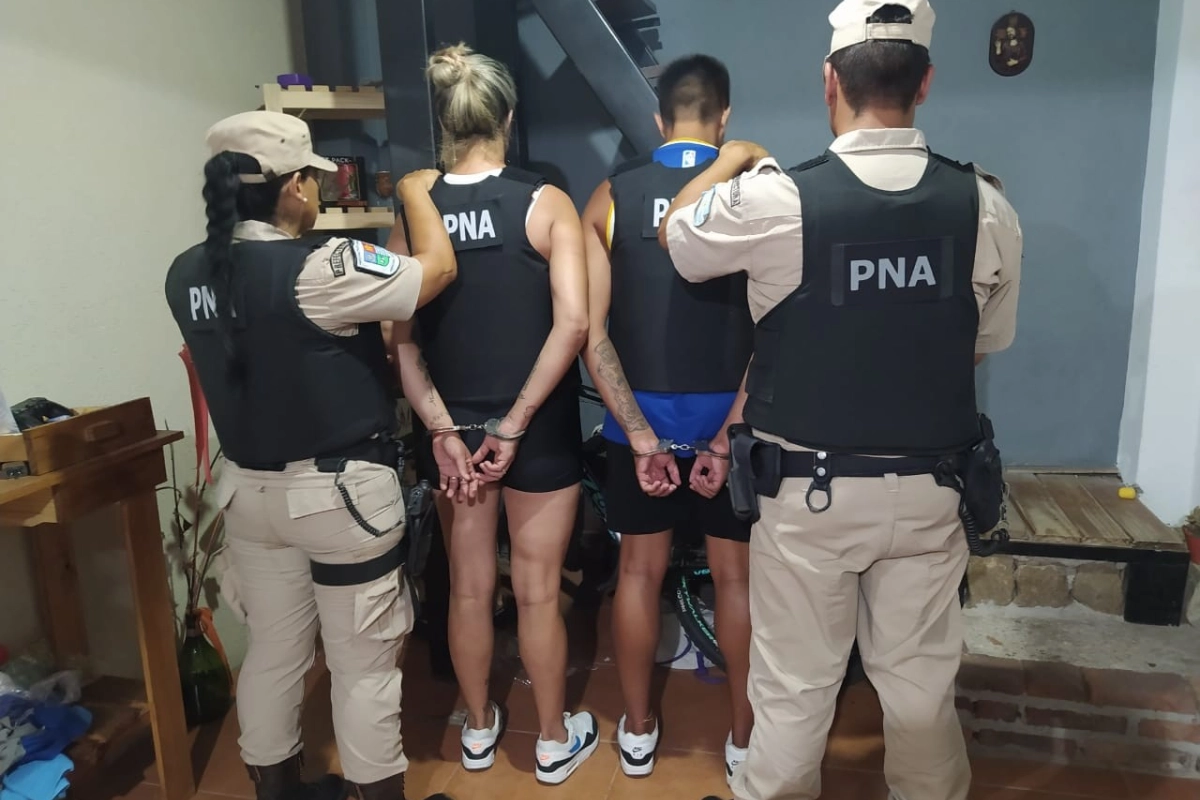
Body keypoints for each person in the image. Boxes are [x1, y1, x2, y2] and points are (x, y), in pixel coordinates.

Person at [659, 2, 1023, 799]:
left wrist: (732, 159)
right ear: (924, 83)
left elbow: (679, 240)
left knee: (794, 693)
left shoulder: (777, 200)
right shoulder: (985, 206)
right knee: (921, 695)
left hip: (807, 497)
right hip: (932, 491)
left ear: (830, 80)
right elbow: (978, 343)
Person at [164, 110, 457, 800]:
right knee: (363, 665)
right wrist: (413, 191)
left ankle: (276, 790)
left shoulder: (184, 273)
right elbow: (435, 272)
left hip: (249, 495)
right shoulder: (321, 267)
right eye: (313, 179)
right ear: (294, 186)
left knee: (273, 652)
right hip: (338, 496)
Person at [386, 44, 597, 786]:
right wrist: (514, 423)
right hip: (535, 431)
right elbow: (574, 324)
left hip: (453, 438)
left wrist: (443, 429)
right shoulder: (545, 202)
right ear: (508, 117)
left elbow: (398, 340)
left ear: (444, 123)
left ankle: (477, 729)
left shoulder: (416, 214)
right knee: (538, 592)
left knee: (469, 588)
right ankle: (553, 740)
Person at [579, 55, 755, 786]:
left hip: (639, 421)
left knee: (638, 571)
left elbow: (591, 334)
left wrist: (642, 434)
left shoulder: (611, 195)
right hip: (729, 422)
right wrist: (727, 434)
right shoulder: (753, 188)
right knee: (736, 580)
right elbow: (776, 329)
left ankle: (639, 731)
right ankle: (744, 738)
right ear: (724, 116)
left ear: (659, 120)